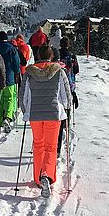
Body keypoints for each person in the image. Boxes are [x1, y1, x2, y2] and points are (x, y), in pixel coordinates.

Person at [19, 44, 71, 197]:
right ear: (51, 56)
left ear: (37, 55)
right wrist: (66, 106)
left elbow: (23, 95)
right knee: (50, 146)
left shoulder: (29, 72)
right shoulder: (59, 71)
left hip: (35, 114)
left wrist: (25, 111)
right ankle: (47, 175)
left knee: (38, 145)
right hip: (53, 114)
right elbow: (66, 94)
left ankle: (38, 177)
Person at [0, 31, 21, 133]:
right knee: (9, 98)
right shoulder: (12, 49)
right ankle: (8, 117)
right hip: (10, 78)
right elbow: (16, 63)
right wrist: (17, 73)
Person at [57, 37, 79, 156]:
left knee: (61, 99)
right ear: (68, 44)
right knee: (68, 100)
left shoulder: (57, 54)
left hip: (59, 82)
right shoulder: (72, 56)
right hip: (70, 81)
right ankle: (67, 120)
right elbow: (76, 70)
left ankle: (62, 120)